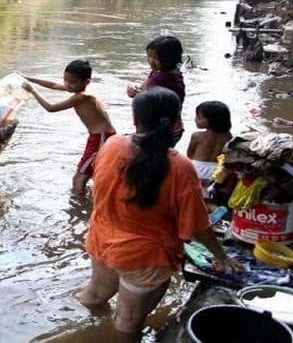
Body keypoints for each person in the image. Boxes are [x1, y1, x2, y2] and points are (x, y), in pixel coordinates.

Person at [77, 87, 240, 342]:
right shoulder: (179, 166)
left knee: (94, 297)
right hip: (144, 257)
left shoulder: (111, 144)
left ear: (135, 119)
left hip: (101, 240)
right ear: (176, 123)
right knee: (128, 322)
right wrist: (221, 257)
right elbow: (196, 224)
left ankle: (82, 332)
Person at [22, 60, 116, 197]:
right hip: (98, 136)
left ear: (86, 82)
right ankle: (90, 201)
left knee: (79, 178)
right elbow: (53, 85)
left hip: (102, 137)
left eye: (71, 82)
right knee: (89, 173)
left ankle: (79, 208)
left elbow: (51, 108)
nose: (67, 85)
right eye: (65, 80)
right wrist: (28, 78)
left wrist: (33, 91)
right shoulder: (76, 89)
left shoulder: (82, 96)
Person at [126, 35, 186, 143]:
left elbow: (149, 101)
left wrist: (135, 93)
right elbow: (143, 87)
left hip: (161, 130)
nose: (151, 61)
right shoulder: (161, 72)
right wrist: (135, 89)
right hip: (171, 127)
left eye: (156, 58)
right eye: (149, 56)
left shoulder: (164, 78)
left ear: (169, 59)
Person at [187, 101, 232, 189]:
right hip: (216, 171)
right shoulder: (229, 137)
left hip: (197, 169)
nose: (195, 119)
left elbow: (189, 154)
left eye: (199, 118)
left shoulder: (197, 135)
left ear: (212, 120)